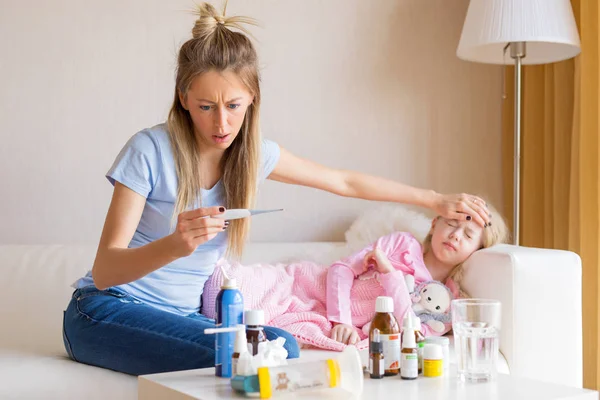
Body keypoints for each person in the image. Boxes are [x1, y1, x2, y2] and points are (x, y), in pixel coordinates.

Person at [62, 2, 492, 376]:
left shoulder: (252, 156)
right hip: (103, 310)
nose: (221, 124)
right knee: (253, 353)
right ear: (184, 98)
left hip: (180, 316)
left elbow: (343, 181)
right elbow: (105, 271)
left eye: (233, 107)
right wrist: (177, 244)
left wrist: (433, 200)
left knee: (279, 345)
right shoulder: (149, 150)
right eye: (206, 107)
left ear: (252, 99)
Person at [327, 201, 509, 345]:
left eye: (468, 235)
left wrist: (390, 275)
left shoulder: (446, 305)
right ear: (434, 224)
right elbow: (342, 268)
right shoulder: (401, 243)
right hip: (319, 297)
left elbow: (413, 335)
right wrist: (342, 322)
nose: (456, 235)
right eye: (452, 223)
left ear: (477, 250)